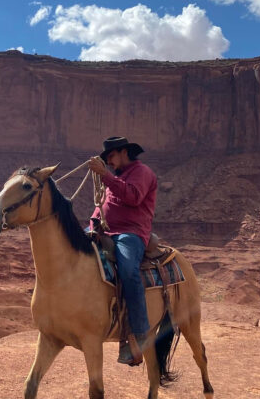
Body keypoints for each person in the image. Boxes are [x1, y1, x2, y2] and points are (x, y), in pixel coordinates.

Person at [87, 136, 158, 365]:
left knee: (128, 271)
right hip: (106, 231)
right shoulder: (115, 177)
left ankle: (138, 336)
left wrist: (105, 176)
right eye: (107, 160)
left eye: (111, 157)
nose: (109, 162)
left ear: (125, 152)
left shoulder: (142, 172)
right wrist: (91, 226)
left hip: (131, 233)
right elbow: (102, 208)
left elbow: (133, 197)